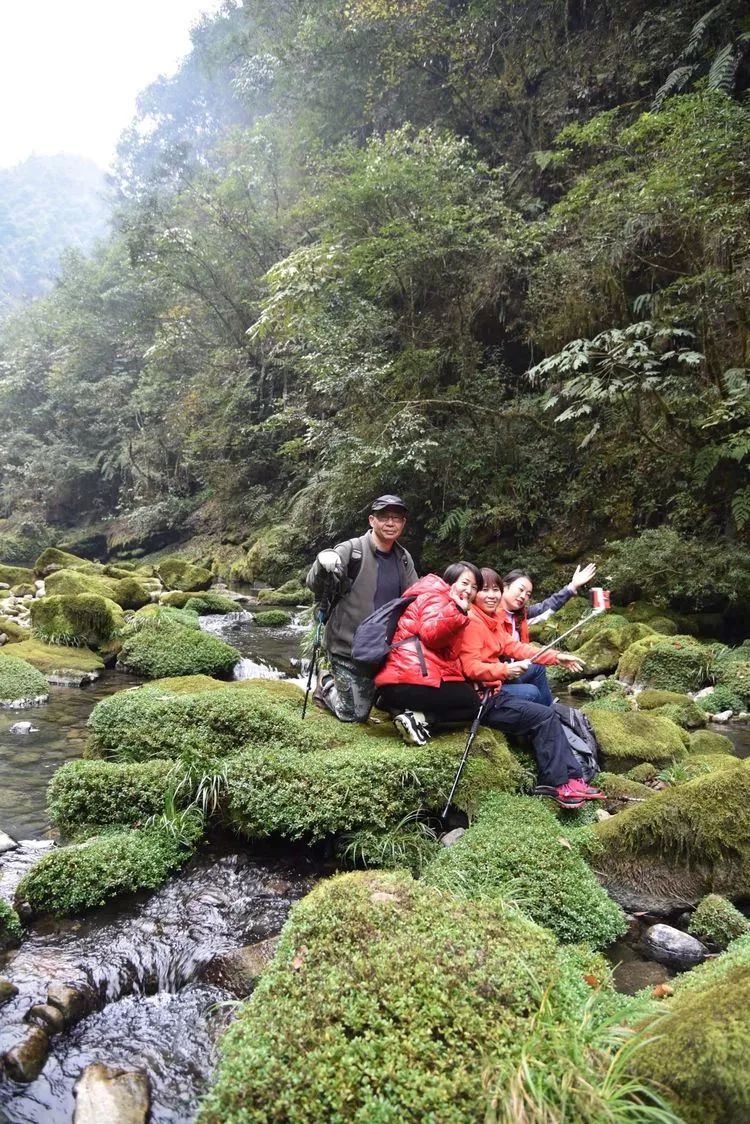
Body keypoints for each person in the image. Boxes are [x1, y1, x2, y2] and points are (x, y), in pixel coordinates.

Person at [456, 566, 604, 809]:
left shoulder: (490, 622)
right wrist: (505, 671)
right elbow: (470, 667)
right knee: (542, 711)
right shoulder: (472, 622)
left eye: (496, 590)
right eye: (485, 590)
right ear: (473, 594)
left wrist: (557, 657)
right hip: (480, 699)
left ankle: (574, 778)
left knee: (546, 714)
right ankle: (558, 784)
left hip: (493, 691)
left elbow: (518, 649)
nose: (492, 595)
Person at [305, 494, 418, 722]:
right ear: (371, 520)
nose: (390, 523)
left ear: (403, 524)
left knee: (402, 700)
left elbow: (415, 598)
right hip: (348, 647)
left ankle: (372, 692)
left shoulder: (404, 559)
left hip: (384, 650)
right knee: (354, 715)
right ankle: (326, 683)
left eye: (397, 518)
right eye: (384, 517)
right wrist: (322, 563)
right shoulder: (352, 550)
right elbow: (313, 583)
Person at [375, 562, 485, 745]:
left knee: (466, 694)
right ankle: (419, 718)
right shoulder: (438, 598)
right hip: (408, 680)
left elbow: (445, 655)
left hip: (398, 680)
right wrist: (457, 611)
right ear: (450, 581)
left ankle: (397, 707)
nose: (469, 590)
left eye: (474, 587)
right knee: (474, 706)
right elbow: (431, 635)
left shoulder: (433, 595)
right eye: (464, 583)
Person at [497, 563, 597, 706]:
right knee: (531, 692)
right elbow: (512, 648)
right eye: (520, 589)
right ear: (505, 586)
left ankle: (549, 708)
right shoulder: (490, 615)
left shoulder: (520, 615)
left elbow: (547, 607)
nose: (523, 596)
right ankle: (546, 713)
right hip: (497, 677)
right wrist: (555, 656)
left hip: (513, 673)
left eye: (527, 594)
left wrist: (571, 587)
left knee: (537, 668)